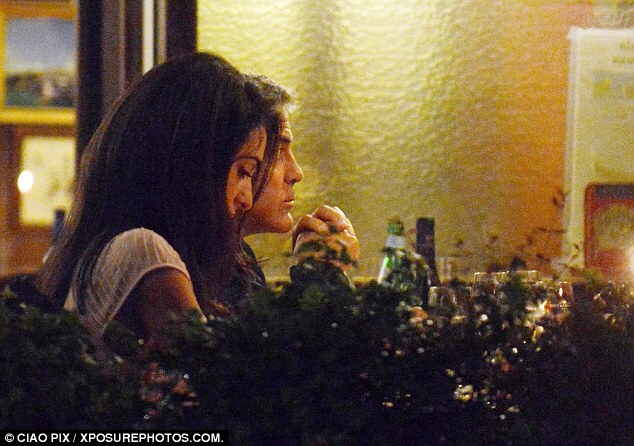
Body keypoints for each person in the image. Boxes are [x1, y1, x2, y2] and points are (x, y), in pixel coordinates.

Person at [36, 52, 281, 341]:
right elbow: (216, 368)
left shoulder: (110, 248)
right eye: (244, 172)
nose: (247, 199)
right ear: (192, 163)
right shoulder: (144, 253)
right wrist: (314, 275)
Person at [241, 74, 360, 277]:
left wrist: (312, 269)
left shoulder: (239, 261)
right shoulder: (191, 268)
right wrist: (324, 276)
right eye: (277, 152)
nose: (296, 174)